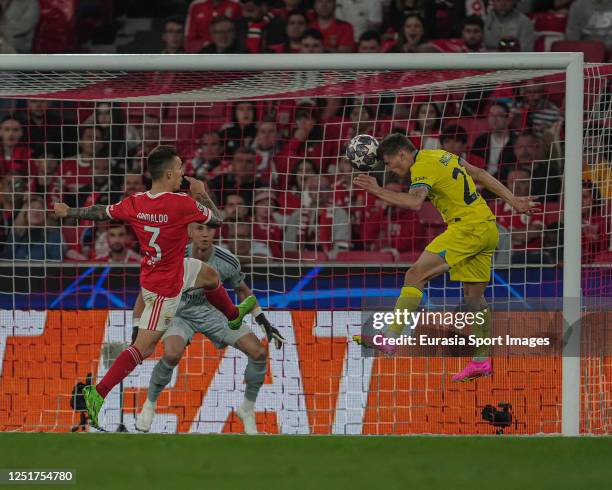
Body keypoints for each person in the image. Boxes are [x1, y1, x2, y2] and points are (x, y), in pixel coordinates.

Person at [53, 145, 256, 428]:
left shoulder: (136, 202)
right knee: (143, 349)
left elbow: (102, 212)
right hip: (165, 289)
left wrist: (70, 212)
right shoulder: (183, 204)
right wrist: (199, 191)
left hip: (162, 270)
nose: (184, 175)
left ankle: (233, 317)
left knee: (209, 276)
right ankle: (96, 394)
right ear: (170, 174)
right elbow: (217, 220)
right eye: (181, 170)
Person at [352, 134, 538, 381]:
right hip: (487, 227)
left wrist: (376, 189)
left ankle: (390, 337)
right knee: (474, 300)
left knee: (415, 275)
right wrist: (513, 200)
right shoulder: (442, 155)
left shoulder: (422, 166)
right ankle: (481, 361)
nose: (389, 169)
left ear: (402, 155)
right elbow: (480, 173)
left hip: (467, 229)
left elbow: (415, 202)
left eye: (388, 163)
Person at [135, 222, 285, 434]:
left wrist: (262, 320)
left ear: (215, 232)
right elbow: (145, 291)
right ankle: (149, 405)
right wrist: (136, 324)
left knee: (258, 352)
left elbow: (242, 290)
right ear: (189, 232)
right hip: (177, 312)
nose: (204, 234)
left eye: (209, 229)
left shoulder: (227, 260)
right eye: (199, 229)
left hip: (213, 312)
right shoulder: (172, 256)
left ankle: (247, 410)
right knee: (172, 353)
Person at [1, 194, 63, 261]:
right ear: (25, 214)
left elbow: (55, 263)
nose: (36, 212)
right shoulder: (15, 236)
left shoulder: (54, 237)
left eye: (40, 209)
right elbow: (5, 259)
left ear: (45, 215)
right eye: (32, 208)